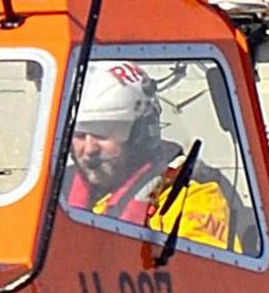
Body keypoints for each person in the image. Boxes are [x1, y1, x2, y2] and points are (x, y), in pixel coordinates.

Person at [61, 62, 239, 253]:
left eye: (103, 133)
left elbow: (205, 277)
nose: (89, 149)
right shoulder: (54, 194)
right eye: (79, 134)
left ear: (140, 135)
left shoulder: (190, 198)